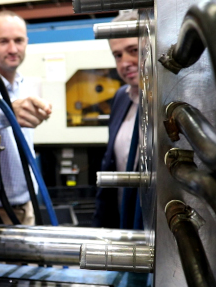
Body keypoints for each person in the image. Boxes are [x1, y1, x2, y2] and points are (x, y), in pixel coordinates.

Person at [0, 11, 52, 225]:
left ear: (26, 42)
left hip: (28, 202)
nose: (13, 49)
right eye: (3, 41)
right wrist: (6, 116)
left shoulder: (24, 85)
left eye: (18, 40)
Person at [92, 10, 143, 229]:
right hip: (125, 223)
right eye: (118, 55)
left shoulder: (174, 101)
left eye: (133, 50)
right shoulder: (121, 97)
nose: (125, 63)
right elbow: (111, 163)